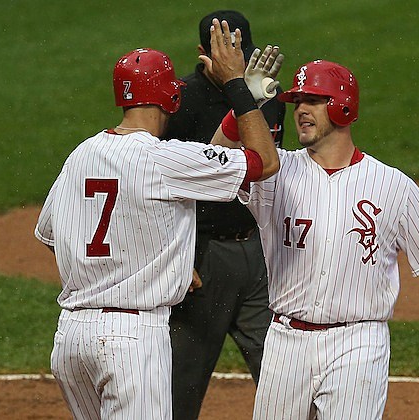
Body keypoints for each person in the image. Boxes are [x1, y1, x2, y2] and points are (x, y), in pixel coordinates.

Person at [214, 59, 419, 419]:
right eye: (298, 102)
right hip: (284, 342)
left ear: (343, 106)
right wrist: (241, 104)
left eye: (314, 100)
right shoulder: (275, 171)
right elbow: (216, 161)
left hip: (357, 345)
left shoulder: (393, 187)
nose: (301, 111)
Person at [33, 19, 280, 419]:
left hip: (72, 337)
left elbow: (49, 234)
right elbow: (264, 162)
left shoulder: (82, 153)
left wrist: (122, 270)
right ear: (172, 98)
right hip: (131, 339)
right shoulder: (163, 159)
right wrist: (240, 90)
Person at [162, 10, 286, 420]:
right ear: (203, 54)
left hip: (260, 257)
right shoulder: (178, 103)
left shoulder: (264, 97)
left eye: (242, 53)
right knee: (180, 387)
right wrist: (177, 256)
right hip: (201, 259)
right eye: (227, 55)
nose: (238, 64)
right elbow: (155, 185)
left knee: (284, 379)